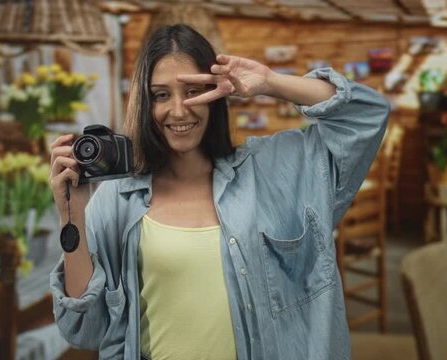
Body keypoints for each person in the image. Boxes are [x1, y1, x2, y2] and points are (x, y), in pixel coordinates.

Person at [49, 24, 390, 360]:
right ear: (145, 104)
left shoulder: (271, 171)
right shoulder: (117, 198)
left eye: (193, 92)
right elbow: (84, 328)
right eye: (161, 95)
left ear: (217, 95)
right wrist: (71, 212)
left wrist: (270, 82)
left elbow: (366, 116)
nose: (179, 110)